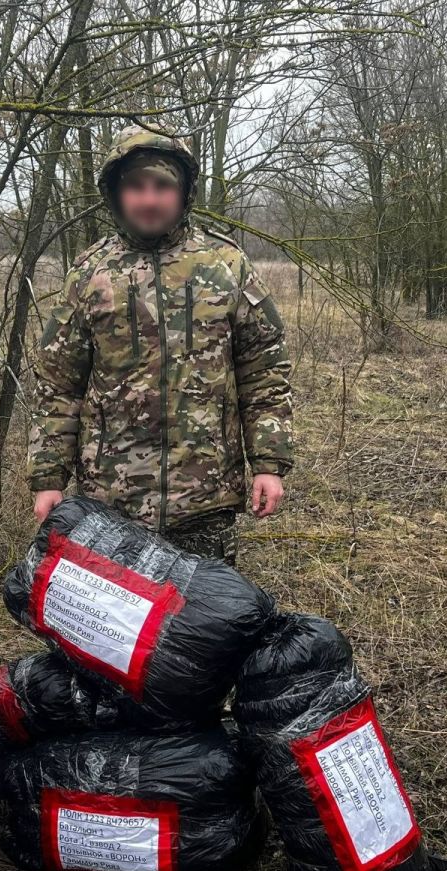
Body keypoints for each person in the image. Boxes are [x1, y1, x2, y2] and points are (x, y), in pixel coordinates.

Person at [26, 123, 294, 565]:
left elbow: (263, 370)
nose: (149, 199)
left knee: (205, 627)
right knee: (119, 628)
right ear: (116, 193)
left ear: (184, 191)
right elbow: (58, 384)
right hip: (111, 500)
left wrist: (268, 463)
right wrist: (48, 477)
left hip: (206, 499)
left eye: (162, 186)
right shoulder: (90, 272)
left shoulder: (226, 266)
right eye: (135, 186)